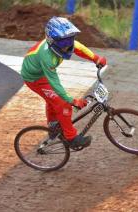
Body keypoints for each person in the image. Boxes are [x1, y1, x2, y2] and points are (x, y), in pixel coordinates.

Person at [21, 16, 107, 148]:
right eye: (63, 42)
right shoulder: (46, 57)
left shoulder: (66, 44)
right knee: (64, 104)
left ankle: (53, 126)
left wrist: (96, 58)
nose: (68, 45)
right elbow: (54, 83)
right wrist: (72, 101)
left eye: (70, 39)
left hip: (43, 74)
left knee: (53, 100)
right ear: (52, 40)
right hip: (35, 79)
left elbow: (80, 48)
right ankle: (71, 138)